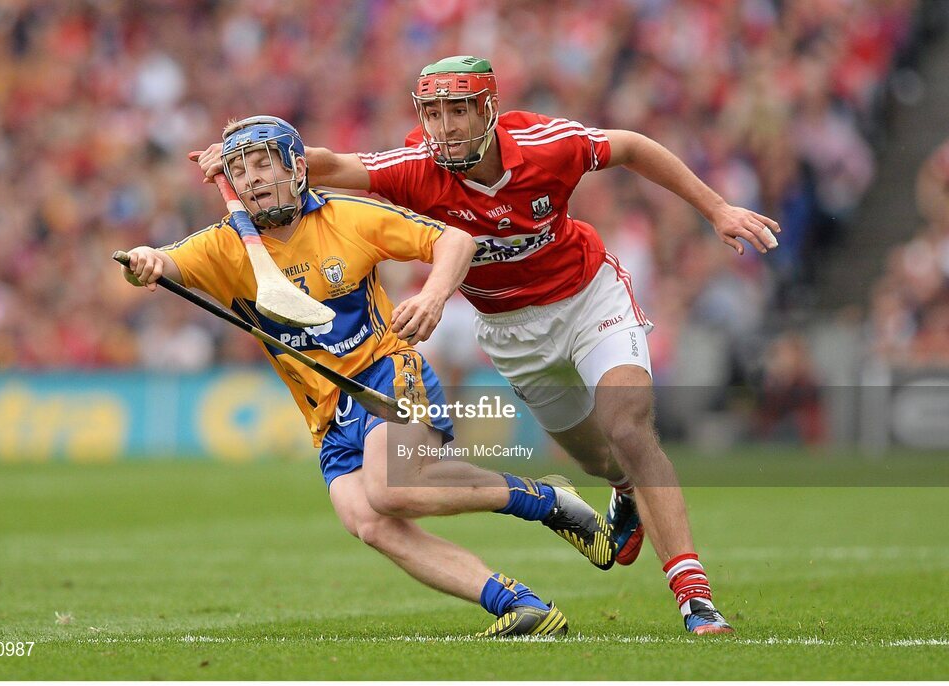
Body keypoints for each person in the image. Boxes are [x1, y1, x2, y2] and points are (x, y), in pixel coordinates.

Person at [194, 57, 783, 635]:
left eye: (456, 111)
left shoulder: (547, 144)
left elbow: (629, 145)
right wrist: (244, 151)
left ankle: (694, 597)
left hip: (588, 297)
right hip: (511, 330)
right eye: (432, 114)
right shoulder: (414, 166)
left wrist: (717, 208)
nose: (442, 128)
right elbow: (324, 164)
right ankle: (622, 490)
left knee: (628, 427)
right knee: (597, 459)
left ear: (488, 109)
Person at [125, 115, 616, 637]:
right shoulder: (222, 249)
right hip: (327, 414)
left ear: (298, 168)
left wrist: (431, 296)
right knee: (370, 521)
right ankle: (520, 605)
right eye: (241, 170)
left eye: (264, 163)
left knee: (390, 488)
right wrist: (144, 261)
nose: (252, 179)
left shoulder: (346, 217)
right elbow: (164, 263)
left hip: (385, 371)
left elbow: (458, 241)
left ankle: (545, 500)